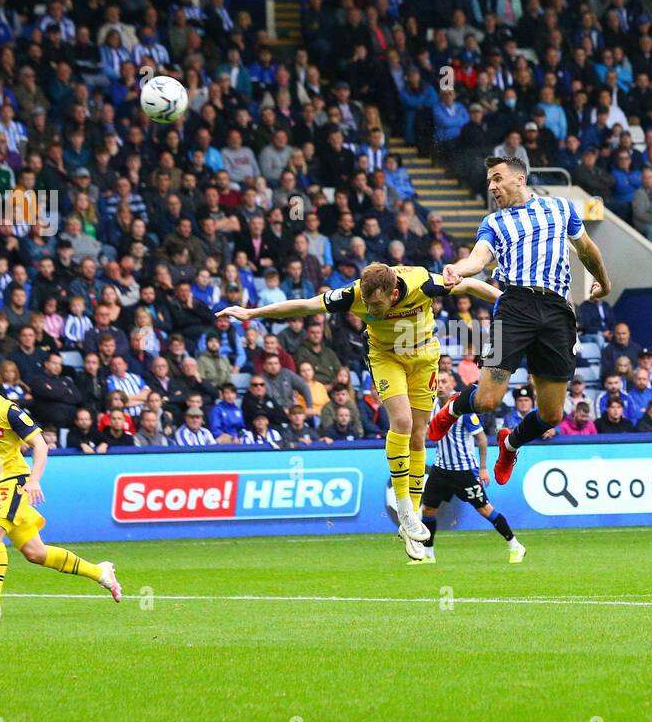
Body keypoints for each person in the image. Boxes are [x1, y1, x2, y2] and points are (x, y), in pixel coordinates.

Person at [221, 261, 500, 557]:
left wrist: (507, 301)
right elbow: (305, 305)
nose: (370, 311)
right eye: (367, 304)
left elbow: (469, 285)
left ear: (394, 294)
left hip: (423, 356)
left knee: (419, 434)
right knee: (402, 422)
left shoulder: (423, 282)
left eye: (376, 305)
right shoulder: (352, 294)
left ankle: (411, 522)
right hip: (385, 357)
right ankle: (405, 511)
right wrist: (251, 313)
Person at [432, 155, 611, 486]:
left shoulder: (561, 208)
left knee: (553, 414)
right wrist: (458, 268)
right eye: (489, 181)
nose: (492, 186)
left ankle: (510, 443)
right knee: (486, 401)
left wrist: (605, 281)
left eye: (497, 178)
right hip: (514, 307)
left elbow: (587, 249)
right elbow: (478, 259)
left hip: (558, 311)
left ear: (519, 179)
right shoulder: (493, 223)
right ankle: (453, 408)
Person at [0, 358, 121, 620]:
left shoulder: (10, 411)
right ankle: (100, 572)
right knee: (36, 553)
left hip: (14, 482)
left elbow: (40, 445)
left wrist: (34, 480)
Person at [414, 372, 525, 565]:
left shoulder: (462, 408)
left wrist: (482, 468)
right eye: (437, 382)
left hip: (463, 471)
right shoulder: (430, 407)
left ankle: (515, 545)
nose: (440, 385)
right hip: (440, 469)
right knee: (428, 509)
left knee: (485, 509)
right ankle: (428, 554)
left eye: (444, 381)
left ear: (452, 384)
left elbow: (481, 440)